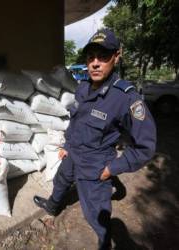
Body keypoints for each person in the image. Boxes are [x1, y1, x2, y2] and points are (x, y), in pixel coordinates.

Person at [33, 29, 156, 250]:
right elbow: (77, 121)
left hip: (96, 165)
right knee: (60, 181)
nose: (95, 63)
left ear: (116, 57)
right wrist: (67, 145)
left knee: (96, 215)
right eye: (91, 57)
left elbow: (145, 146)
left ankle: (104, 242)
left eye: (103, 56)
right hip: (73, 154)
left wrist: (112, 169)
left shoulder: (126, 98)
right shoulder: (82, 88)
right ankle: (52, 207)